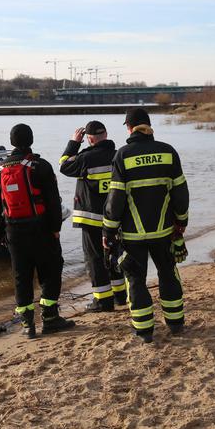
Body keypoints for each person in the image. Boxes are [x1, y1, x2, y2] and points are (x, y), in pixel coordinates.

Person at [103, 108, 190, 343]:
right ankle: (175, 324)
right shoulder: (168, 152)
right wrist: (181, 223)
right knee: (168, 274)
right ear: (149, 126)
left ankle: (144, 331)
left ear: (129, 128)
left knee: (136, 280)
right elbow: (181, 194)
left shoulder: (122, 155)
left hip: (132, 236)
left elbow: (115, 201)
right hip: (164, 232)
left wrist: (108, 231)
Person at [0, 123, 75, 338]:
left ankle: (28, 326)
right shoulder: (40, 165)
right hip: (41, 228)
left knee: (21, 276)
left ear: (11, 142)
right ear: (31, 140)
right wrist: (55, 228)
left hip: (13, 230)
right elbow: (53, 202)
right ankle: (50, 318)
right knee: (51, 271)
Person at [59, 120, 127, 312]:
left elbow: (64, 165)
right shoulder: (118, 156)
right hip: (115, 219)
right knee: (114, 255)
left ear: (89, 139)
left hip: (91, 220)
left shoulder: (85, 158)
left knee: (95, 260)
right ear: (106, 135)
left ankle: (103, 300)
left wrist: (74, 143)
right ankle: (120, 296)